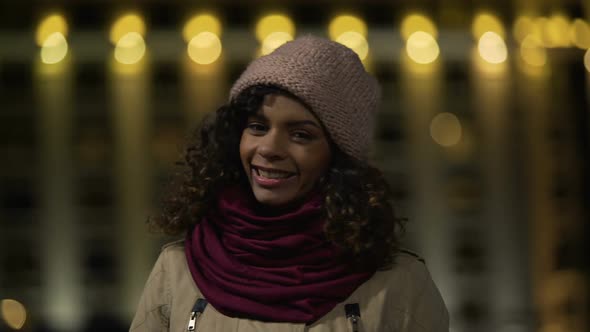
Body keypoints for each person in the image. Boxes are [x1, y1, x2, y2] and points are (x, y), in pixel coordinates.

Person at [130, 35, 449, 331]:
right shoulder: (174, 272)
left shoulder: (401, 284)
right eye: (257, 126)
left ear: (337, 157)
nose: (268, 149)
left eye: (301, 134)